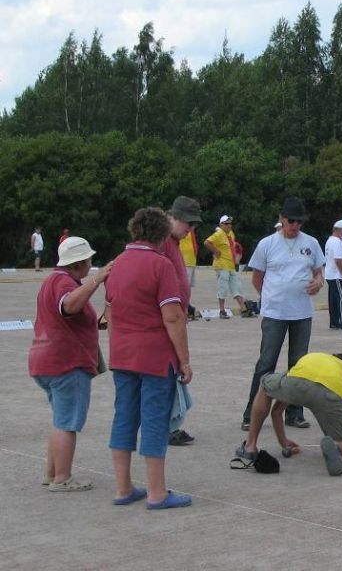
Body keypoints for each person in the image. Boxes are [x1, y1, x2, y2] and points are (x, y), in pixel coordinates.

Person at [105, 207, 193, 509]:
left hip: (122, 355)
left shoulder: (117, 264)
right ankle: (157, 492)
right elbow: (173, 317)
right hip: (155, 358)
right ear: (161, 235)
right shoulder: (161, 265)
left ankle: (123, 488)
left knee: (124, 417)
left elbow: (110, 313)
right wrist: (185, 360)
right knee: (155, 421)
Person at [28, 237, 113, 492]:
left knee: (60, 420)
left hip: (46, 360)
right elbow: (68, 307)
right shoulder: (64, 282)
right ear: (79, 263)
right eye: (88, 260)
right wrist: (97, 280)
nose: (91, 264)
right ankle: (62, 479)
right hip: (66, 364)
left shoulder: (52, 280)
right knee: (68, 423)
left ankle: (52, 473)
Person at [241, 197, 326, 431]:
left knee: (298, 364)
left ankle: (294, 413)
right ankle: (251, 412)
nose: (295, 225)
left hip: (302, 313)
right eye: (291, 220)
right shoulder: (267, 244)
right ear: (281, 218)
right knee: (266, 362)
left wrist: (318, 283)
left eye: (299, 221)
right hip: (275, 313)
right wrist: (270, 296)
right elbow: (257, 277)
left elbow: (319, 272)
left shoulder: (311, 243)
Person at [235, 352, 342, 476]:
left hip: (298, 383)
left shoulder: (316, 357)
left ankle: (250, 446)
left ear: (333, 355)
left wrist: (283, 441)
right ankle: (339, 446)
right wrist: (339, 431)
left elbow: (277, 412)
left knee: (265, 384)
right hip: (329, 394)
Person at [163, 196, 202, 446]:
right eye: (188, 224)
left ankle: (170, 424)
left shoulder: (174, 241)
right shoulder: (163, 242)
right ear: (174, 218)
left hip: (175, 316)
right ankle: (166, 427)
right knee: (170, 373)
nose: (190, 230)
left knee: (173, 374)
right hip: (168, 321)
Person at [204, 215, 248, 319]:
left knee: (237, 287)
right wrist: (216, 251)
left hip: (230, 265)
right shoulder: (219, 234)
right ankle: (222, 310)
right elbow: (207, 242)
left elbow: (233, 248)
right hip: (222, 265)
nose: (229, 225)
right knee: (222, 288)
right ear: (221, 225)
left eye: (230, 223)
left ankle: (244, 308)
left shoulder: (231, 234)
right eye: (226, 224)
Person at [325, 220, 342, 330]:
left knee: (333, 299)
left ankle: (334, 322)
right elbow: (338, 260)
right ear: (340, 230)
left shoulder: (329, 240)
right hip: (336, 275)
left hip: (329, 274)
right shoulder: (336, 242)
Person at [178, 212, 199, 320]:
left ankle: (187, 308)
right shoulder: (181, 230)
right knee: (184, 287)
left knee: (188, 288)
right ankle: (185, 310)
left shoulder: (190, 231)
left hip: (191, 262)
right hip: (185, 262)